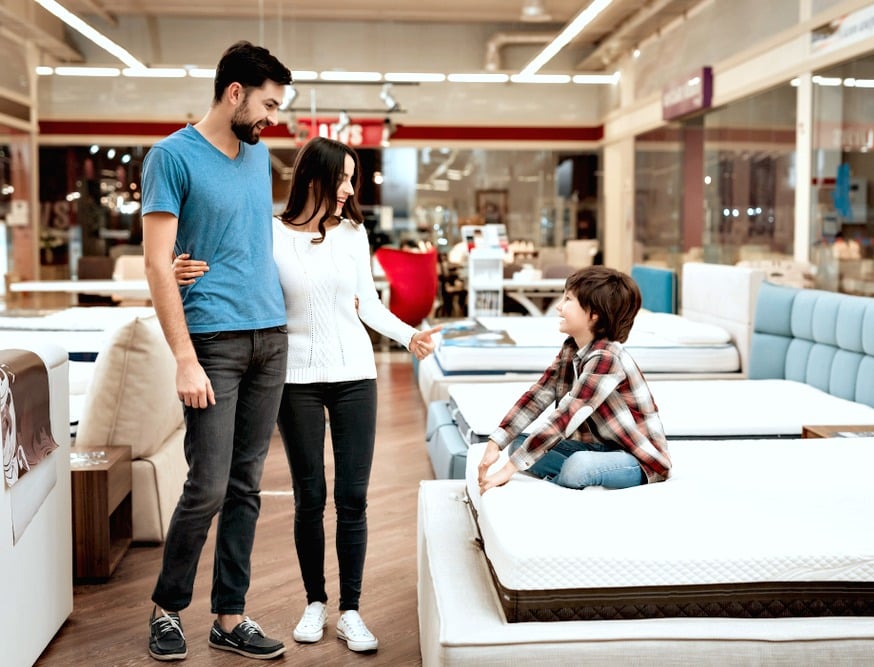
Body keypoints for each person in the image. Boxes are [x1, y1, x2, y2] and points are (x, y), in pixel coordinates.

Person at [174, 137, 440, 653]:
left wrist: (409, 335)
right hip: (293, 377)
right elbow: (228, 271)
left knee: (353, 498)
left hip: (355, 374)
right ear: (311, 178)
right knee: (310, 497)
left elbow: (368, 303)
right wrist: (178, 270)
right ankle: (315, 601)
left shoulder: (354, 234)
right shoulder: (270, 234)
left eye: (351, 179)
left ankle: (351, 611)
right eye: (339, 177)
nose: (347, 189)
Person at [141, 41, 293, 661]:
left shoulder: (257, 158)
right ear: (235, 92)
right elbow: (157, 262)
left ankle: (229, 616)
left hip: (270, 336)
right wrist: (183, 356)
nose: (272, 119)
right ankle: (166, 609)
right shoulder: (171, 157)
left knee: (247, 486)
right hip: (213, 341)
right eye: (268, 104)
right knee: (206, 484)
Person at [477, 266, 672, 494]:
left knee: (578, 465)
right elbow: (538, 395)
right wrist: (496, 443)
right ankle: (571, 474)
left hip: (637, 458)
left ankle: (566, 479)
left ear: (595, 313)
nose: (559, 307)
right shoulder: (572, 347)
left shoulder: (607, 357)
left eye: (568, 299)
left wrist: (508, 470)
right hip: (599, 448)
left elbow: (568, 415)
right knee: (518, 445)